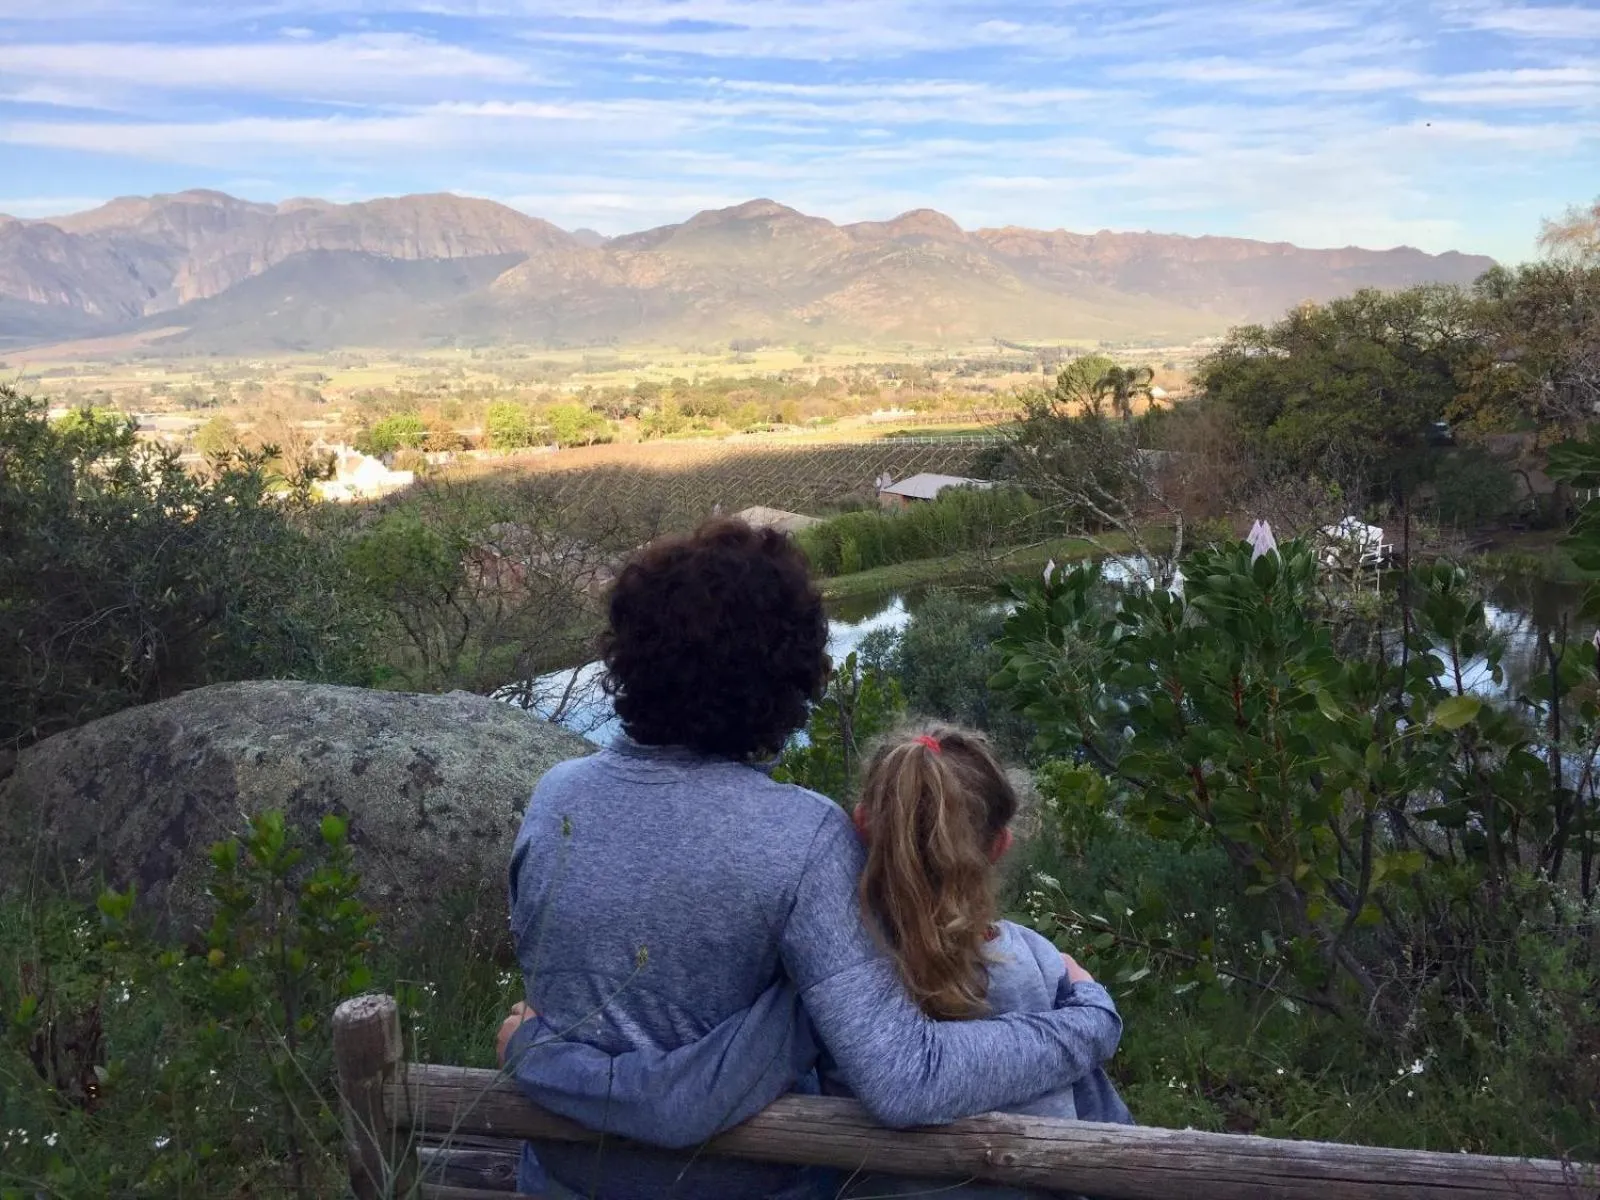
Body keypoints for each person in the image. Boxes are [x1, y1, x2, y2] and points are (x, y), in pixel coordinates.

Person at [498, 519, 1123, 1199]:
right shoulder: (800, 835)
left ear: (631, 655)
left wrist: (537, 1057)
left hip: (558, 1178)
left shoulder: (555, 795)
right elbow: (903, 1077)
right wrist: (1087, 1021)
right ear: (785, 676)